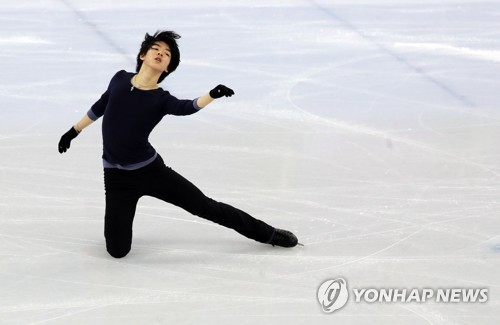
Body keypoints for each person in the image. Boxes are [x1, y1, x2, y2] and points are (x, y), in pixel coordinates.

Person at [58, 30, 299, 258]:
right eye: (156, 48)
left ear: (167, 68)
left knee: (205, 206)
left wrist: (211, 95)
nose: (161, 53)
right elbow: (101, 105)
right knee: (117, 251)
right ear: (143, 55)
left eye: (167, 53)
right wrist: (74, 131)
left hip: (151, 172)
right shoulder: (119, 79)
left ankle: (268, 233)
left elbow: (186, 107)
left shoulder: (160, 99)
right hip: (115, 178)